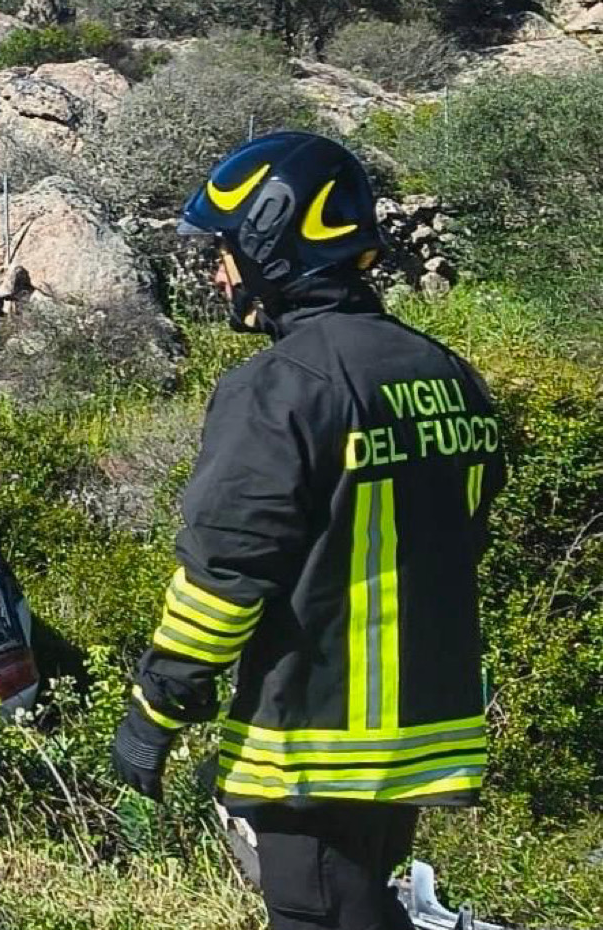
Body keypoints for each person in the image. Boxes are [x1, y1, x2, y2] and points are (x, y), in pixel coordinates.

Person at [110, 132, 507, 930]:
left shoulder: (281, 387)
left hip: (316, 744)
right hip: (420, 736)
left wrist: (154, 711)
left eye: (226, 251)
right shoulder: (443, 371)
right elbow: (468, 525)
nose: (221, 272)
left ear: (271, 243)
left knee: (322, 913)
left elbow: (224, 575)